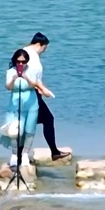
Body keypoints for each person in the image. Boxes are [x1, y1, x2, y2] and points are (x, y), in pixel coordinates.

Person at [20, 32, 63, 161]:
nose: (44, 51)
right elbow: (27, 75)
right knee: (48, 120)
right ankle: (54, 152)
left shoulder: (24, 52)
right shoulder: (31, 56)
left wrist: (39, 88)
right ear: (39, 44)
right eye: (45, 48)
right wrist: (41, 89)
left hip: (25, 93)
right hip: (29, 94)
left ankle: (20, 156)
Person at [1, 48, 42, 178]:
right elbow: (8, 87)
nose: (21, 64)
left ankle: (25, 154)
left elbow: (33, 85)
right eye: (18, 62)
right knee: (16, 131)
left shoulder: (32, 70)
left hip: (30, 102)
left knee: (29, 130)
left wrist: (26, 77)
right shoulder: (10, 71)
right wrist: (14, 79)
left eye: (23, 62)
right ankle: (14, 155)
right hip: (16, 103)